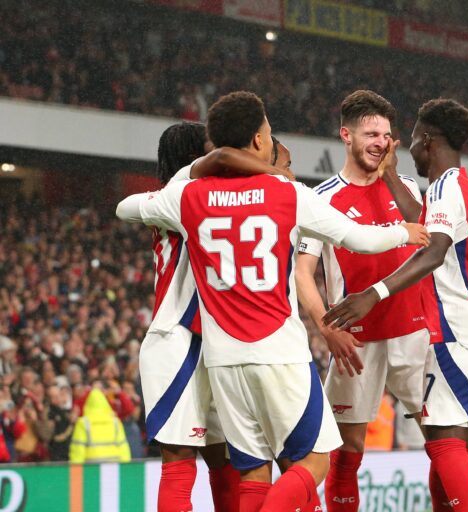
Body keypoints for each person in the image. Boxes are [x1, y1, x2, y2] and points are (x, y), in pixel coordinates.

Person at [116, 91, 429, 512]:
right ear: (259, 141)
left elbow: (125, 206)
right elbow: (359, 238)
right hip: (274, 348)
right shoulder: (287, 192)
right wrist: (404, 233)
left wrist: (202, 167)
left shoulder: (187, 198)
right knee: (313, 461)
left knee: (247, 470)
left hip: (221, 354)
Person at [324, 98, 468, 511]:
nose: (403, 147)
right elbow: (427, 226)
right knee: (466, 446)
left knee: (444, 443)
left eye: (409, 139)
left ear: (427, 140)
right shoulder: (462, 185)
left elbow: (432, 250)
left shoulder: (445, 186)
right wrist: (391, 177)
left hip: (462, 335)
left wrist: (372, 294)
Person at [141, 121, 292, 512]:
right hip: (177, 340)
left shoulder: (188, 198)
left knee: (227, 461)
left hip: (216, 342)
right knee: (178, 463)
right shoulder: (182, 197)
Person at [294, 90, 428, 512]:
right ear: (345, 136)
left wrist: (390, 176)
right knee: (348, 447)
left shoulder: (406, 187)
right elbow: (302, 273)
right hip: (357, 341)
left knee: (446, 437)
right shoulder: (321, 199)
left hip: (415, 333)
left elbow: (431, 245)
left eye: (387, 135)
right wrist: (326, 327)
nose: (380, 142)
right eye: (371, 133)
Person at [69, 387, 131, 464]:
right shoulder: (115, 422)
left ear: (88, 404)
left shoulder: (83, 423)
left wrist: (76, 474)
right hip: (113, 469)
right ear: (105, 403)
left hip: (91, 470)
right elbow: (123, 447)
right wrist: (125, 468)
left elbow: (78, 450)